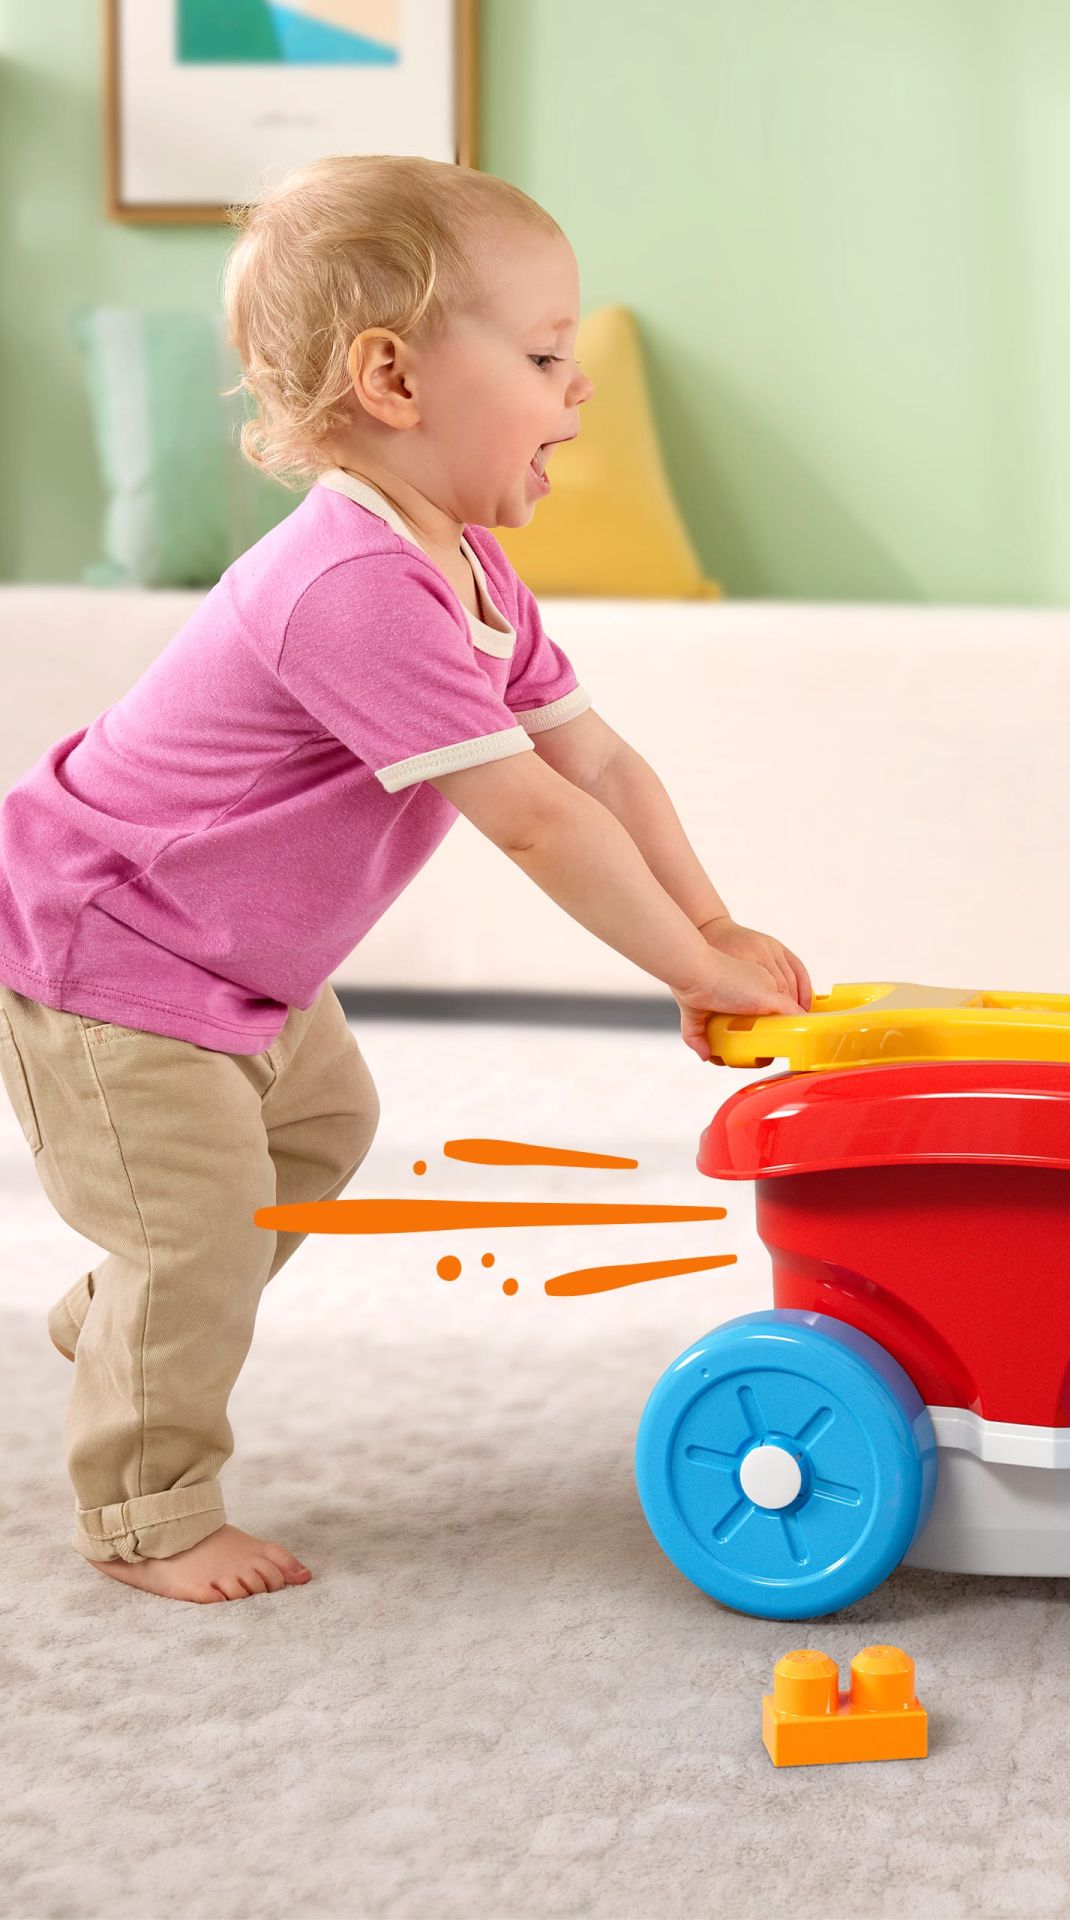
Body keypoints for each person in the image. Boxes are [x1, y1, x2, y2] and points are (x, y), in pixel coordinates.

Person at [0, 154, 808, 1605]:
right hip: (110, 946)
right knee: (196, 1232)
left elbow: (597, 767)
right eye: (546, 357)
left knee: (320, 1132)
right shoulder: (350, 586)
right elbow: (534, 821)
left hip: (234, 956)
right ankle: (149, 1514)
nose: (579, 388)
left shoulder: (471, 568)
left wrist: (712, 923)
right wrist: (689, 971)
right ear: (393, 379)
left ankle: (133, 1321)